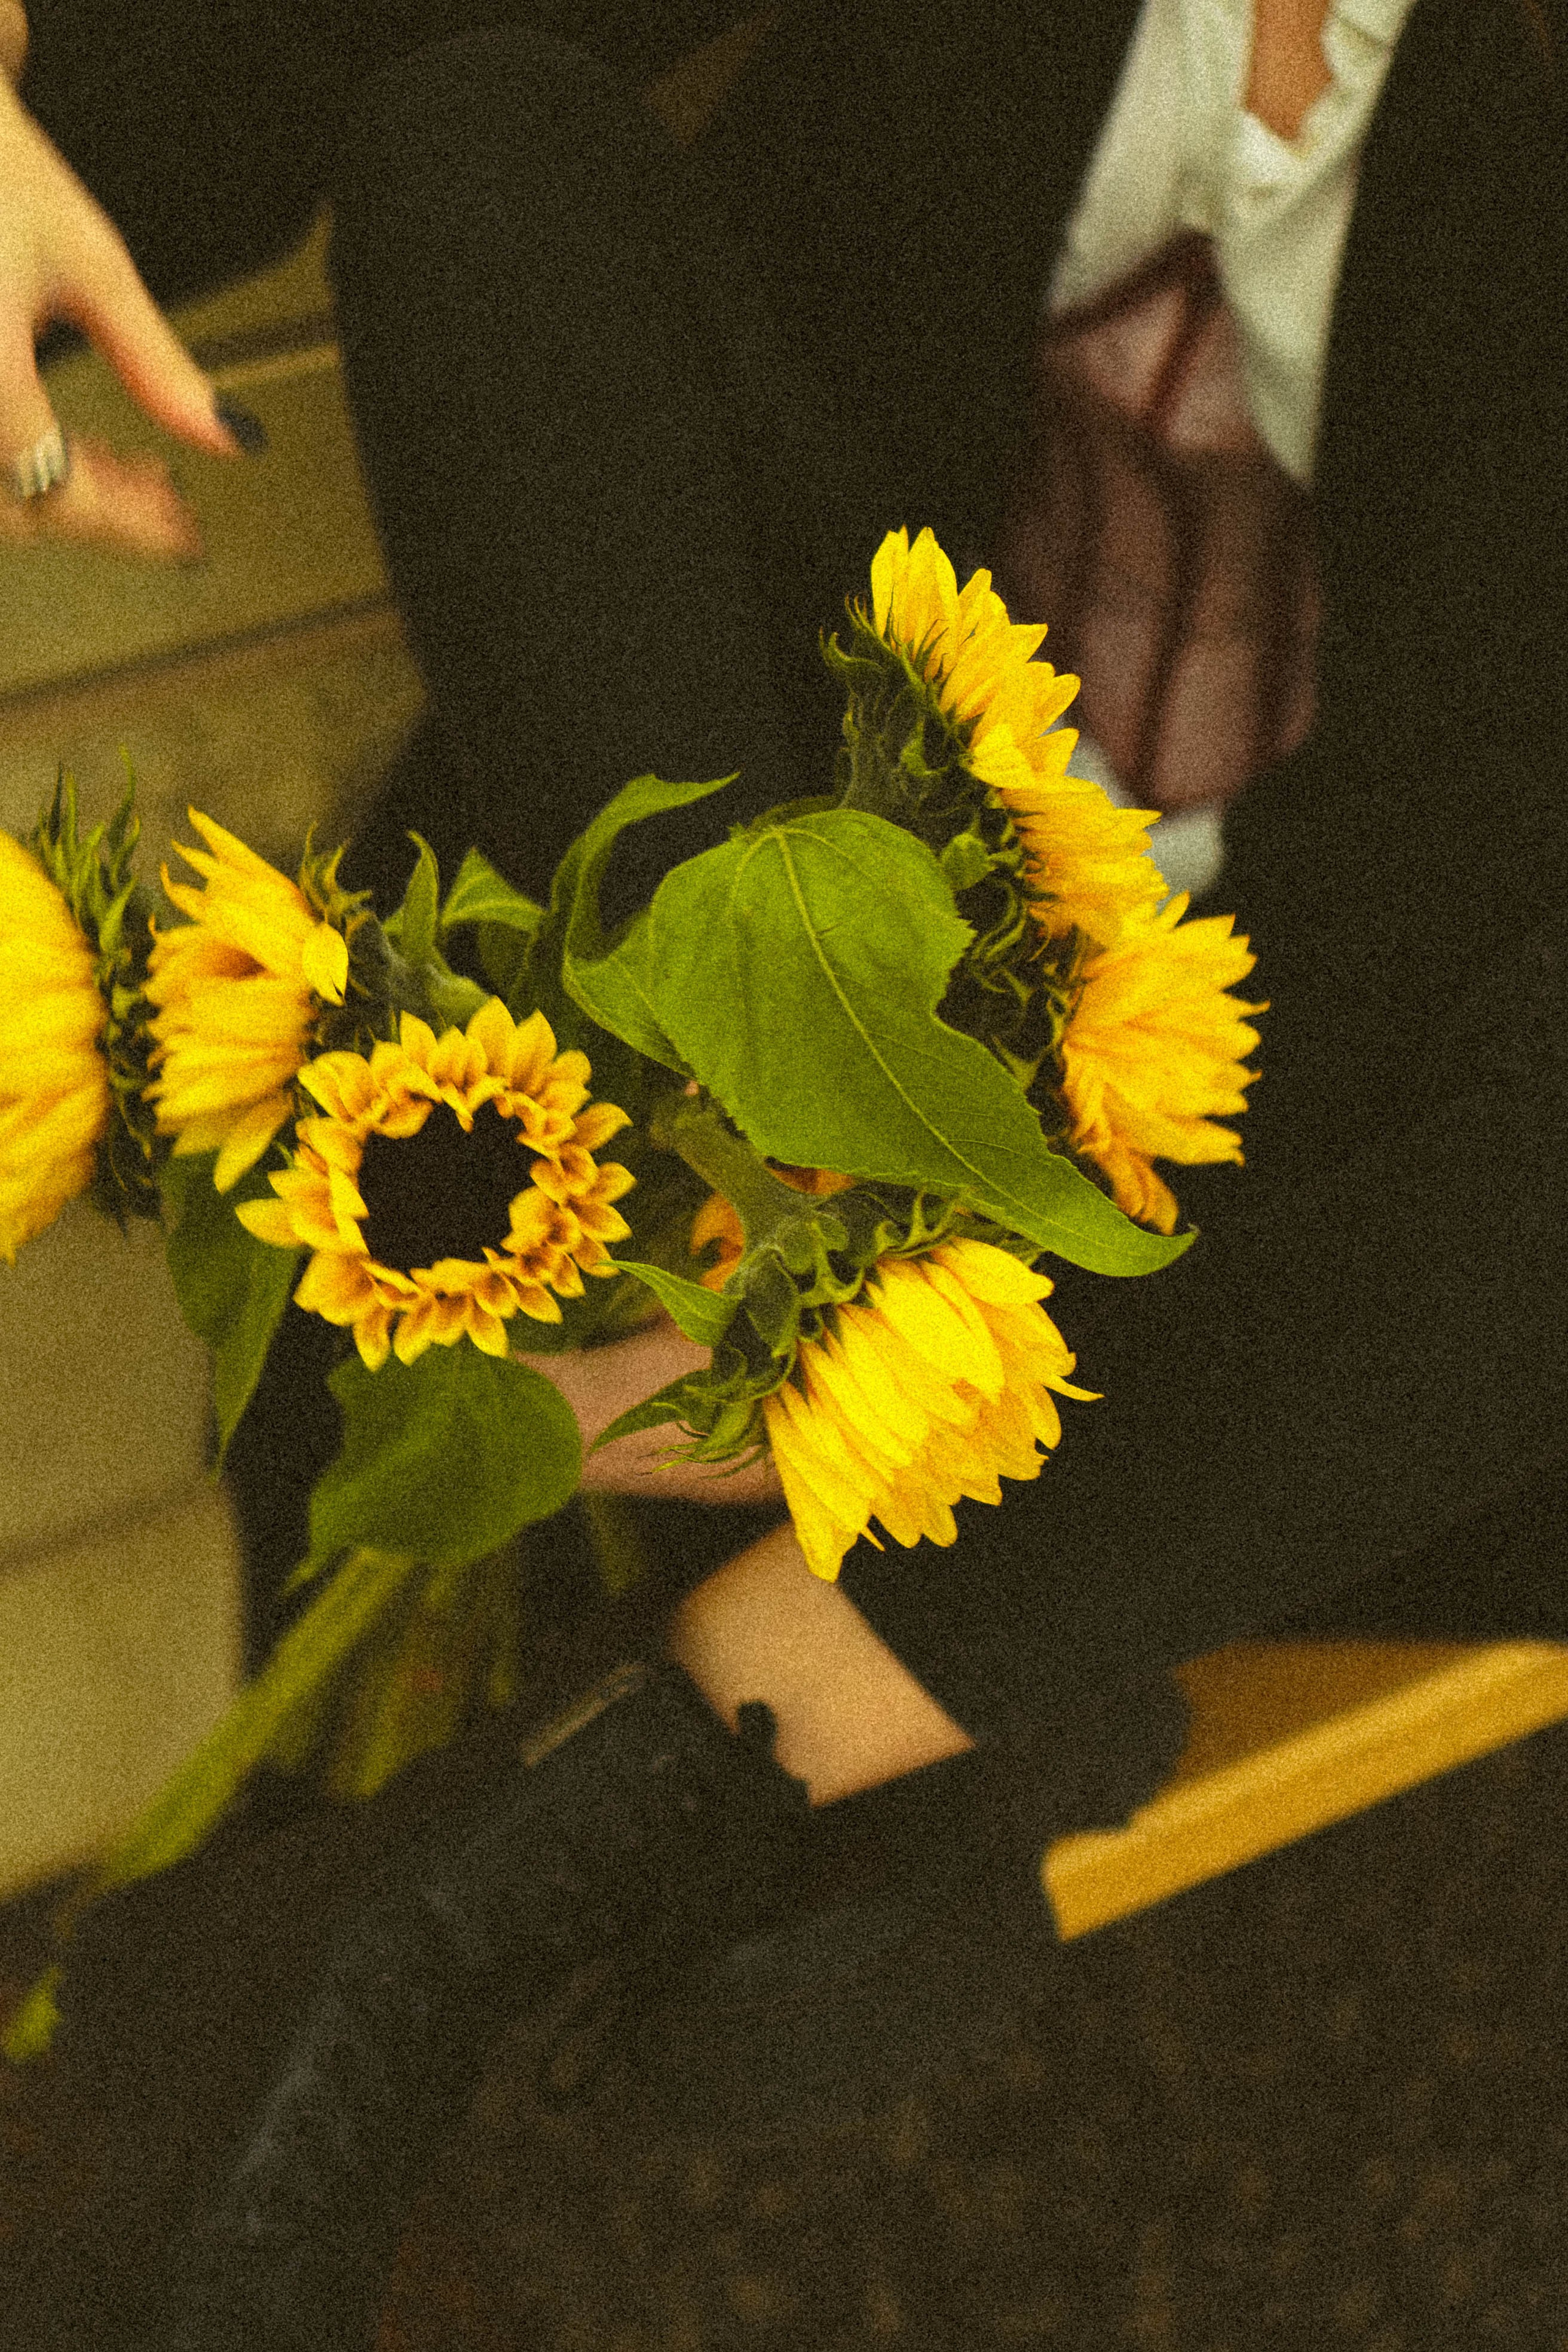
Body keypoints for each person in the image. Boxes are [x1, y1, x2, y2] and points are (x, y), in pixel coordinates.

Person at [2, 1, 1566, 2344]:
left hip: (1310, 1233)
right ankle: (851, 1698)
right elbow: (322, 82)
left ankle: (579, 1815)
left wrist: (992, 1327)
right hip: (688, 1001)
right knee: (484, 132)